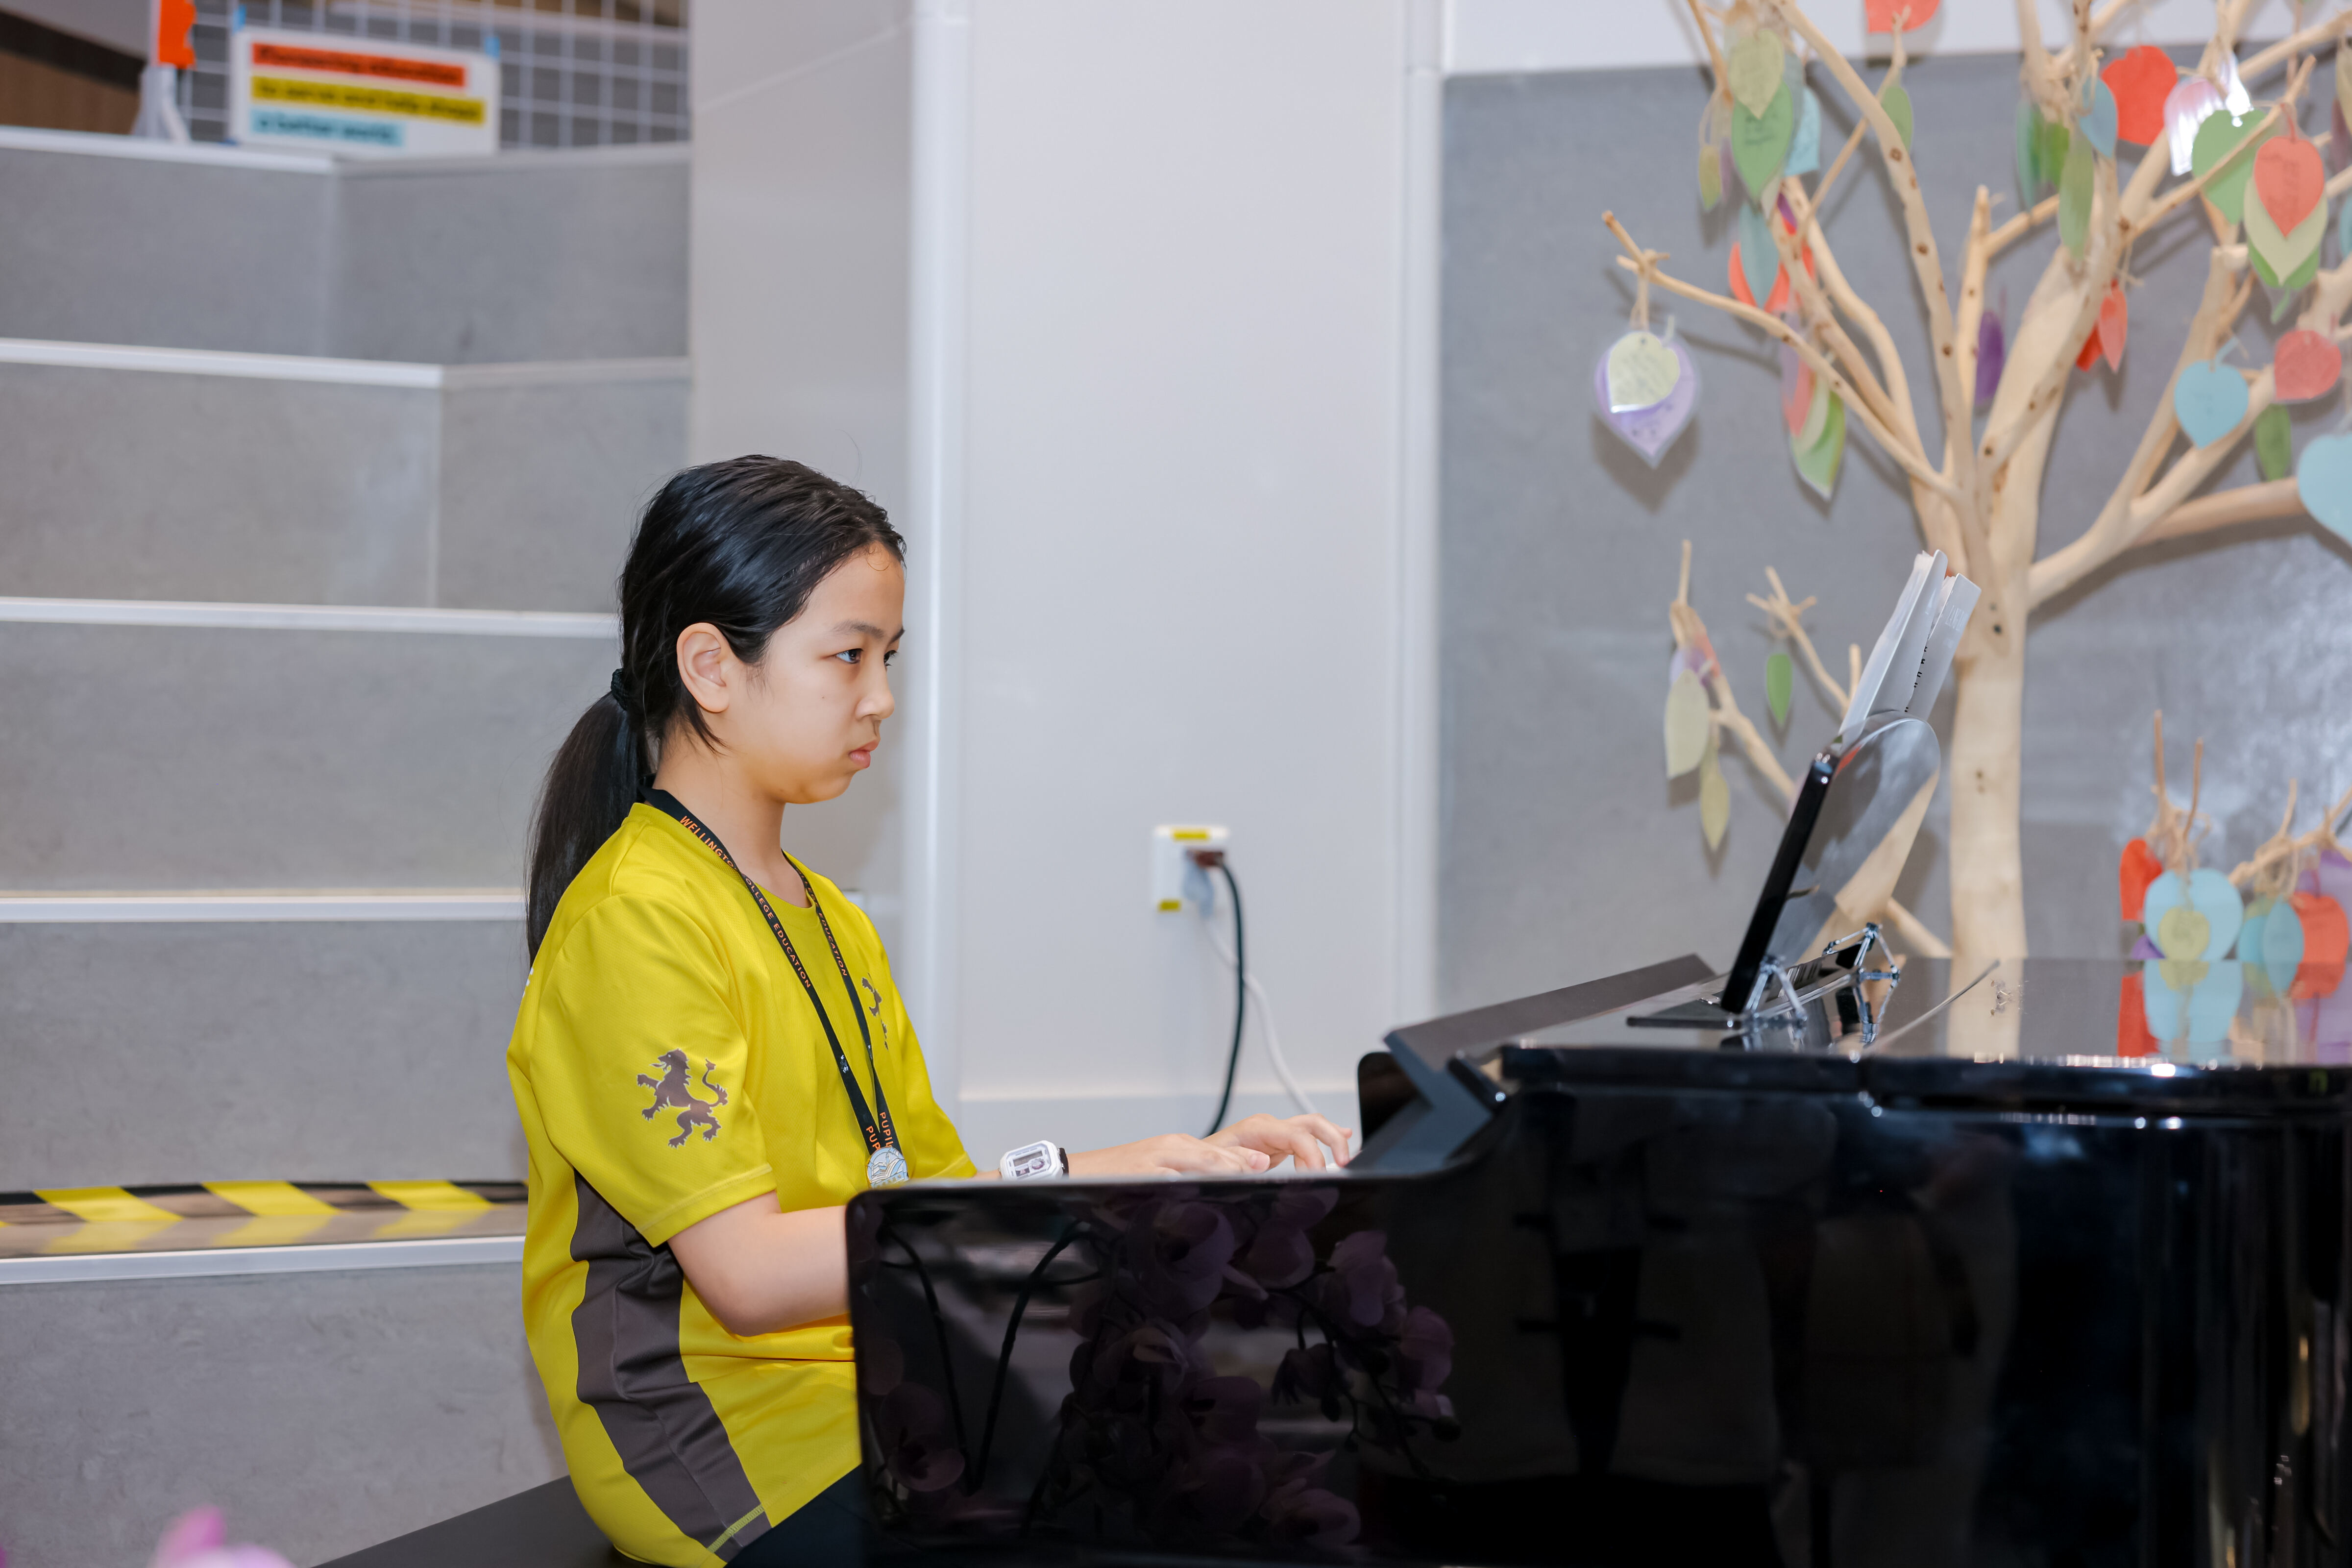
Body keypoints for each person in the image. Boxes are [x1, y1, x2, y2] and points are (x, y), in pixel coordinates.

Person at [508, 456, 1352, 1568]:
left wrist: (1169, 1177)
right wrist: (1092, 1190)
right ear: (712, 667)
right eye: (848, 656)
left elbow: (934, 1199)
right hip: (728, 1436)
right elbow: (749, 1278)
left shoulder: (832, 920)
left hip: (890, 1389)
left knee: (1280, 1467)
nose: (882, 698)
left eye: (889, 658)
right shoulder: (636, 920)